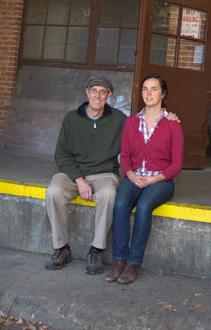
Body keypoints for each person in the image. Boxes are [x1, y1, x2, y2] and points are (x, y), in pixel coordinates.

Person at [105, 74, 183, 284]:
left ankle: (133, 263)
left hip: (160, 181)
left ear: (163, 94)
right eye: (145, 89)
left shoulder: (172, 124)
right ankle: (119, 260)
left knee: (143, 206)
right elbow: (125, 155)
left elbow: (176, 165)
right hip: (134, 176)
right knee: (120, 204)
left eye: (154, 89)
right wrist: (130, 175)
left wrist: (152, 180)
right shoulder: (132, 122)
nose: (149, 93)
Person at [45, 77, 127, 274]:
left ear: (109, 96)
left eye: (102, 91)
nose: (97, 95)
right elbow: (61, 155)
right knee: (53, 191)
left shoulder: (120, 120)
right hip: (74, 173)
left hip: (105, 174)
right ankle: (61, 248)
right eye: (93, 91)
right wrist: (79, 180)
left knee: (109, 195)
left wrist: (168, 116)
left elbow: (143, 128)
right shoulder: (71, 119)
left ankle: (96, 250)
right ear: (87, 93)